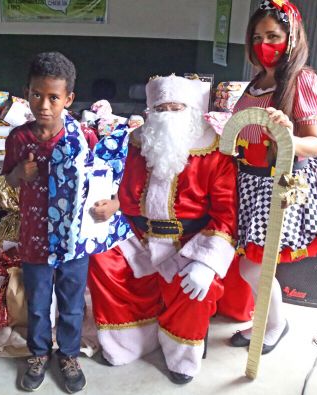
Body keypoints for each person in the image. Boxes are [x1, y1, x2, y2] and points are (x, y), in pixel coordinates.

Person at [88, 75, 240, 385]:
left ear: (192, 110)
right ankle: (129, 343)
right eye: (161, 108)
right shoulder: (137, 142)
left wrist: (206, 263)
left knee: (196, 287)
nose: (168, 115)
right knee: (101, 260)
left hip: (189, 241)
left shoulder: (213, 151)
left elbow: (227, 216)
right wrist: (115, 205)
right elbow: (122, 190)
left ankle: (181, 355)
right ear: (149, 112)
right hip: (139, 236)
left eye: (176, 107)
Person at [228, 0, 317, 353]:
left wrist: (286, 136)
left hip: (276, 183)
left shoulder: (303, 81)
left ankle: (274, 326)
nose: (264, 43)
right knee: (253, 266)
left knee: (255, 269)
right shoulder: (259, 80)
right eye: (257, 36)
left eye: (273, 36)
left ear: (291, 37)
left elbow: (314, 143)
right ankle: (266, 321)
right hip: (247, 182)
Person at [3, 52, 116, 393]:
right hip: (35, 237)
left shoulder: (83, 138)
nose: (44, 105)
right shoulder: (19, 139)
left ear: (68, 99)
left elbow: (104, 180)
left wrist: (113, 205)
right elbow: (5, 180)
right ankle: (38, 352)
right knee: (38, 302)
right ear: (27, 93)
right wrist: (17, 174)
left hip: (74, 239)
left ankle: (67, 354)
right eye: (37, 95)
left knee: (70, 302)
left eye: (54, 97)